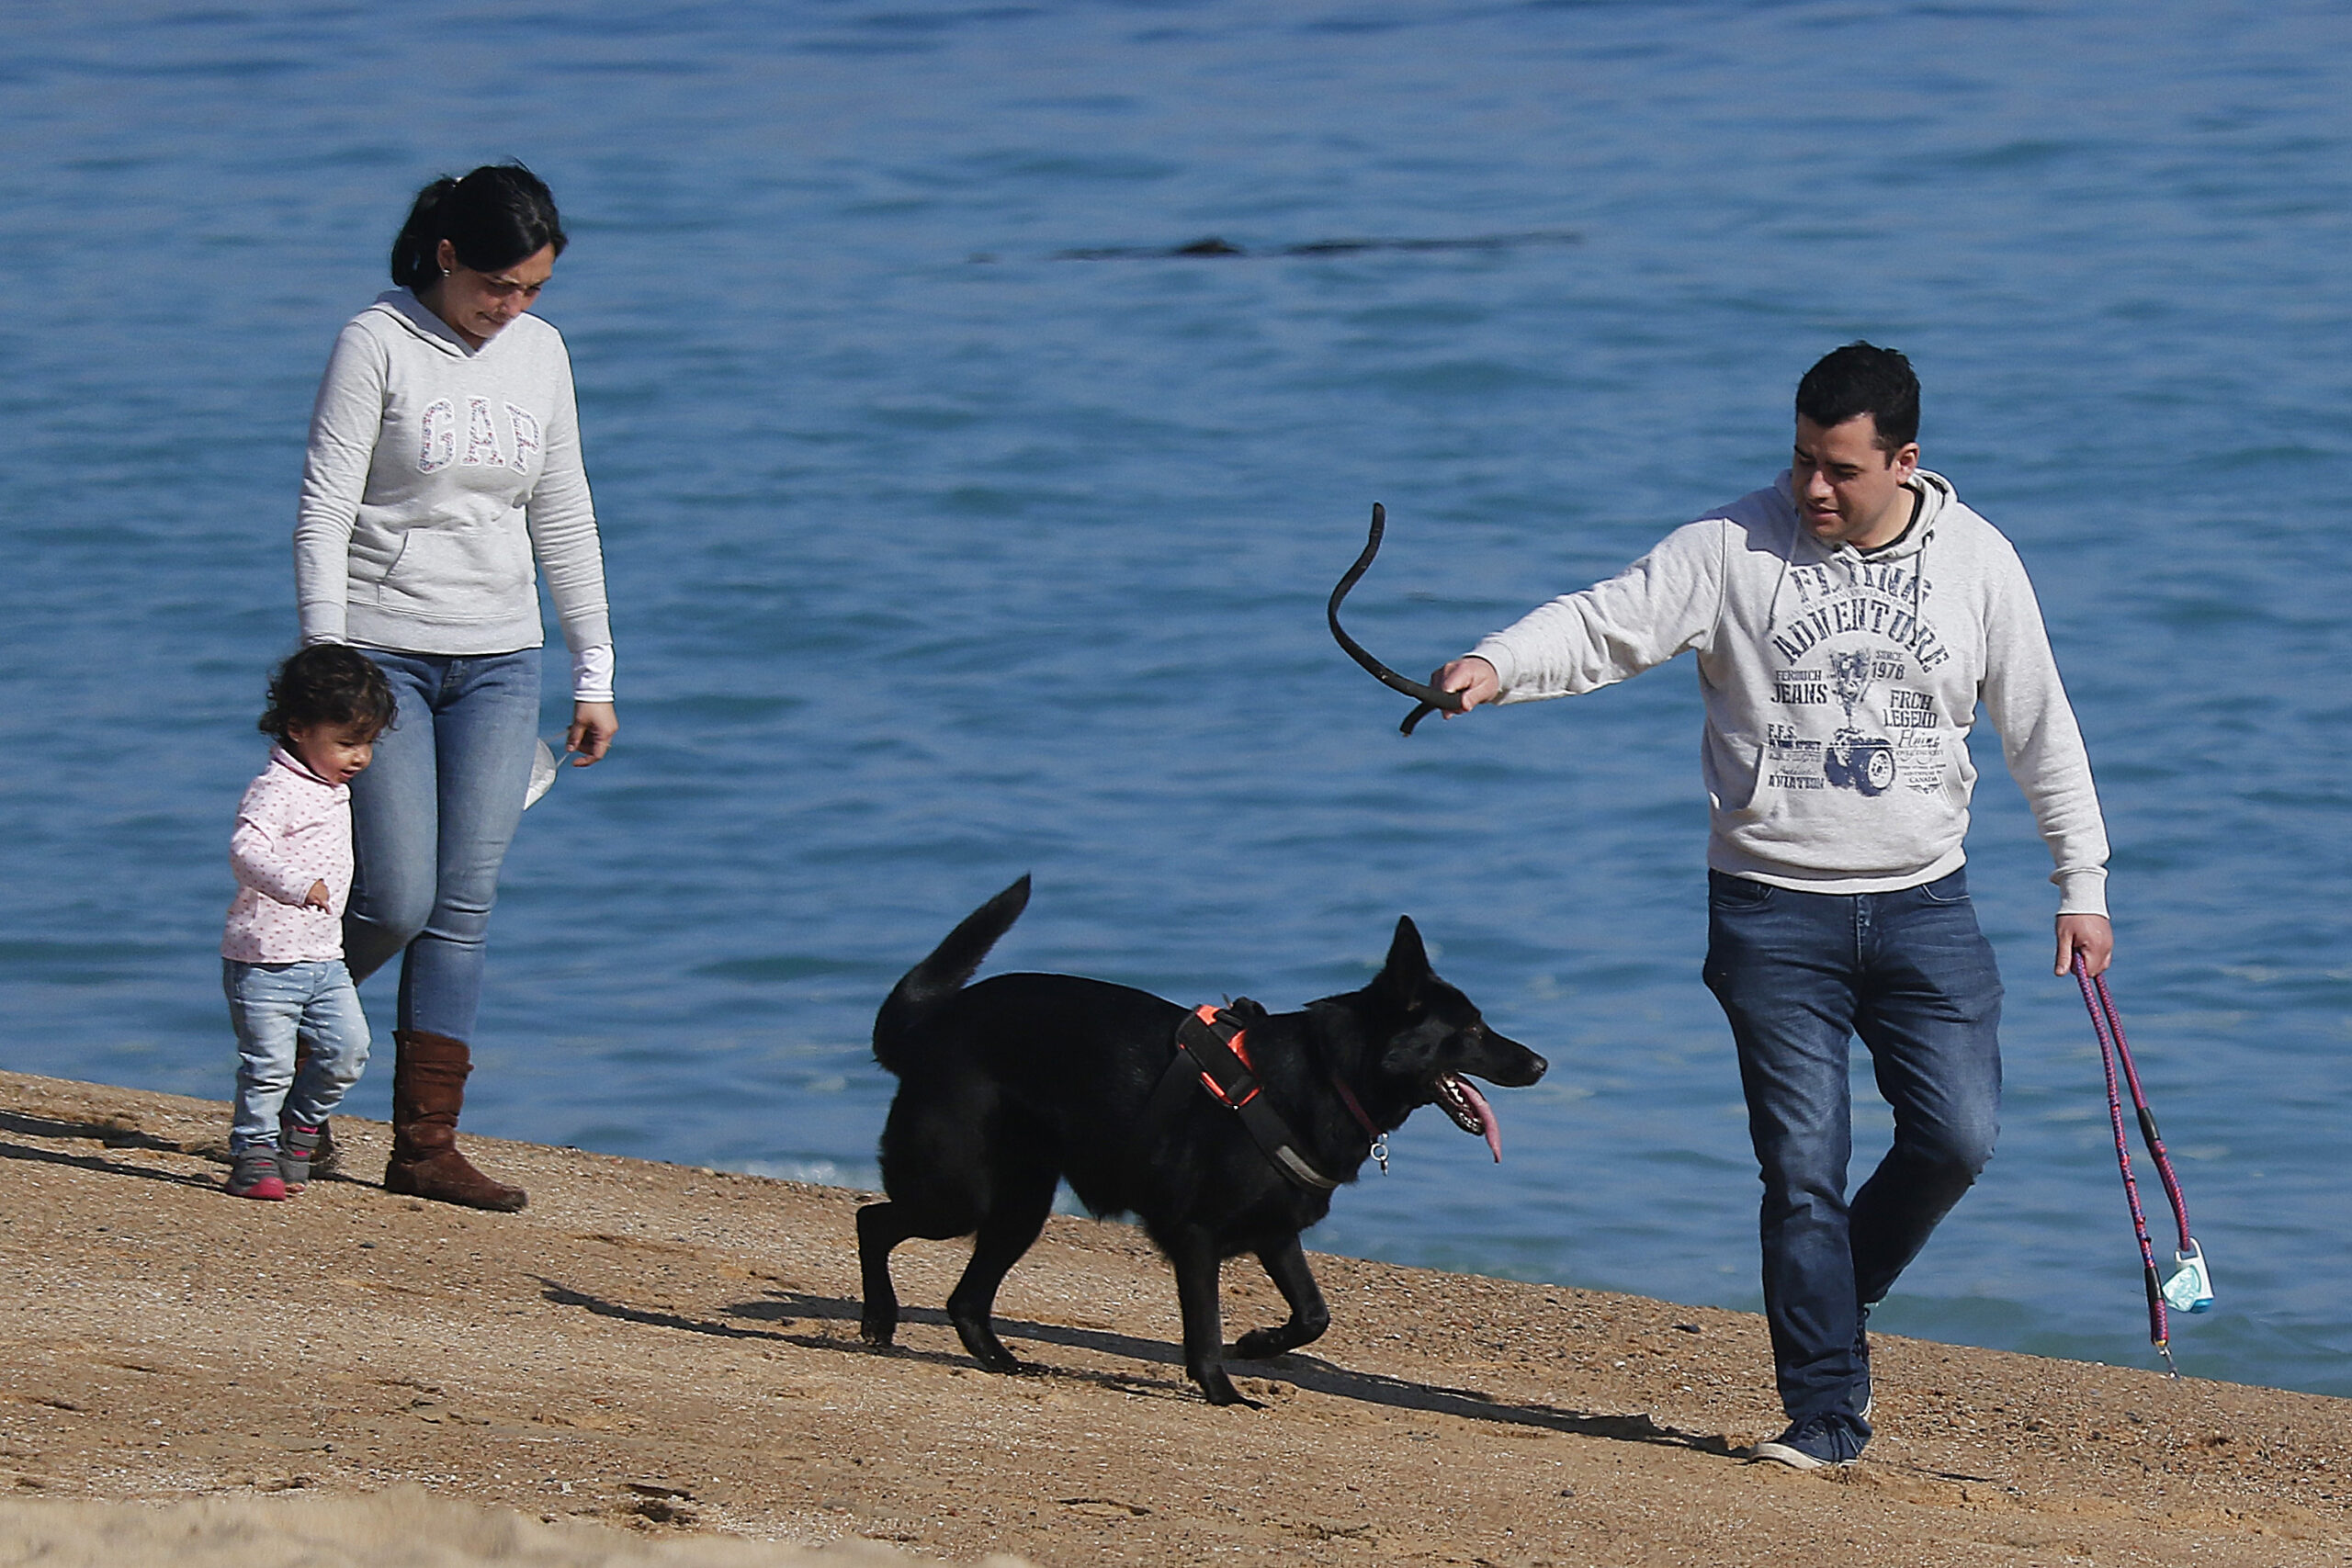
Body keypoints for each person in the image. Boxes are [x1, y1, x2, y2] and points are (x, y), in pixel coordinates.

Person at [1430, 343, 2112, 1471]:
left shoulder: (1978, 562)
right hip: (1769, 913)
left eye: (1839, 469)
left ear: (1903, 460)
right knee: (1800, 1168)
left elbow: (2042, 725)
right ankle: (1826, 1415)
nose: (1810, 490)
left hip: (1923, 907)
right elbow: (1605, 622)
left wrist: (2078, 883)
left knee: (1957, 1136)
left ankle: (1830, 1301)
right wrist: (1492, 664)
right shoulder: (1729, 549)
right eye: (1800, 460)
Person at [293, 163, 616, 1213]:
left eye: (530, 289)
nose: (510, 308)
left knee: (462, 908)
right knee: (394, 896)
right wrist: (325, 673)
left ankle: (423, 1147)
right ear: (446, 257)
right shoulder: (375, 343)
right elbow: (324, 512)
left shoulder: (541, 353)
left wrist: (594, 669)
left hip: (500, 659)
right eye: (495, 287)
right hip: (380, 657)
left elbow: (563, 511)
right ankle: (289, 1039)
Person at [220, 645, 397, 1201]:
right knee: (267, 1066)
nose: (360, 756)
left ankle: (298, 1132)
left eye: (367, 743)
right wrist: (296, 886)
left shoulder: (331, 788)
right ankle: (252, 1153)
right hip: (264, 959)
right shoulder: (277, 788)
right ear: (297, 728)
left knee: (349, 1051)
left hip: (324, 960)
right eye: (346, 743)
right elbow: (246, 851)